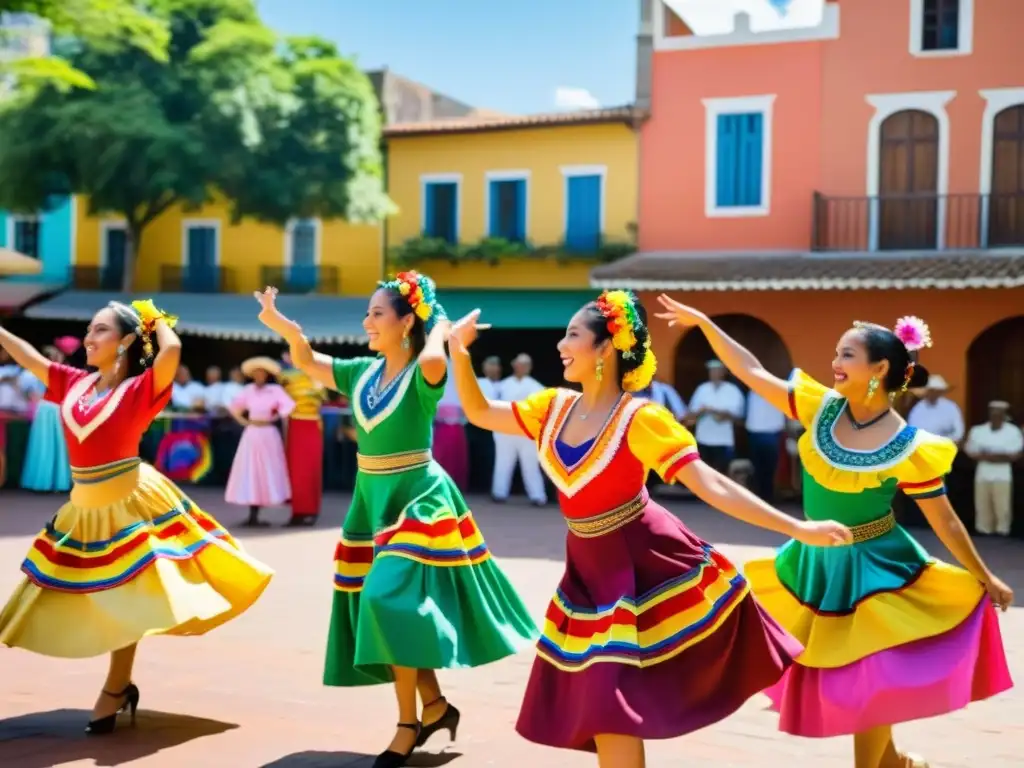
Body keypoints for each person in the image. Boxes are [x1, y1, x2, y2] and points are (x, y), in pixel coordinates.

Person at [447, 290, 852, 767]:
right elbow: (479, 413)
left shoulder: (641, 419)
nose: (561, 343)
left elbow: (713, 486)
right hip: (587, 569)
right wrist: (460, 351)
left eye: (573, 334)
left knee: (609, 702)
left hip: (645, 566)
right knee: (604, 708)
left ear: (606, 348)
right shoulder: (551, 408)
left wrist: (797, 528)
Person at [655, 296, 1014, 767]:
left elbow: (943, 518)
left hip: (877, 565)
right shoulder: (819, 407)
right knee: (847, 674)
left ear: (879, 368)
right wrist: (703, 324)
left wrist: (985, 575)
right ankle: (895, 763)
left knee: (868, 672)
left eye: (847, 354)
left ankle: (884, 764)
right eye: (836, 353)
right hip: (815, 560)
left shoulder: (909, 445)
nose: (834, 363)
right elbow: (752, 371)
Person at [252, 272, 536, 768]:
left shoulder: (426, 374)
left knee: (385, 599)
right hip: (372, 499)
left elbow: (431, 356)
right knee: (391, 608)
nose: (366, 321)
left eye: (376, 313)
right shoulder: (360, 371)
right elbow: (305, 361)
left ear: (407, 322)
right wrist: (284, 326)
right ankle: (436, 706)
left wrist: (441, 323)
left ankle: (408, 725)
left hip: (418, 499)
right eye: (367, 313)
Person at [0, 300, 273, 733]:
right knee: (83, 593)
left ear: (126, 340)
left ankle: (114, 687)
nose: (89, 338)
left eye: (100, 330)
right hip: (85, 504)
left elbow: (171, 352)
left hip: (129, 498)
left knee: (125, 593)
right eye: (89, 330)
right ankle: (121, 684)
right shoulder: (73, 383)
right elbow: (31, 357)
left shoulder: (141, 388)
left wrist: (156, 320)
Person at [225, 356, 295, 527]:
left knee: (266, 470)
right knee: (250, 469)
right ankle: (252, 513)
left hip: (268, 433)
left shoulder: (275, 390)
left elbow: (289, 406)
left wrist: (276, 416)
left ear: (267, 374)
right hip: (253, 432)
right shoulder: (248, 390)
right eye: (256, 373)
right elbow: (234, 407)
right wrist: (244, 422)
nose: (259, 376)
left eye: (262, 373)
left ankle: (259, 511)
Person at [279, 350, 328, 526]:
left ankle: (311, 511)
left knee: (311, 469)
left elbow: (322, 399)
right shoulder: (285, 376)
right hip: (294, 424)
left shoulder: (319, 377)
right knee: (295, 470)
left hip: (312, 423)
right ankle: (297, 511)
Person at [493, 353, 547, 505]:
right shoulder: (503, 385)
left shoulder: (536, 386)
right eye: (520, 364)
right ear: (514, 365)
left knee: (530, 464)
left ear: (529, 367)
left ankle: (538, 496)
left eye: (526, 364)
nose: (522, 367)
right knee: (503, 462)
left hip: (526, 431)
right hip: (505, 430)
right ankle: (499, 493)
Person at [964, 401, 1023, 537]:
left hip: (1002, 474)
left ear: (1004, 415)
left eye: (998, 413)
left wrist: (988, 455)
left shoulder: (1012, 431)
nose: (995, 416)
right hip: (983, 472)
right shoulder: (978, 430)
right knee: (982, 504)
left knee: (1002, 505)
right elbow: (971, 451)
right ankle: (984, 531)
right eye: (993, 412)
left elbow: (1015, 454)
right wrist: (998, 455)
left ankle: (1002, 531)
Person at [20, 345, 73, 492]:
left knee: (58, 446)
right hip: (47, 409)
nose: (56, 358)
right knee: (44, 445)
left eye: (57, 355)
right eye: (53, 356)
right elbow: (29, 391)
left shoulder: (64, 371)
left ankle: (56, 482)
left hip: (57, 408)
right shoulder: (37, 372)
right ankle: (42, 482)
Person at [687, 359, 744, 474]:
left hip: (723, 440)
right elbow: (691, 413)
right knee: (704, 472)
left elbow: (738, 415)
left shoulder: (732, 390)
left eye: (717, 370)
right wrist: (701, 411)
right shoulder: (702, 389)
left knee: (722, 472)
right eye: (712, 371)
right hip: (703, 438)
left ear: (723, 372)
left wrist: (714, 411)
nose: (714, 373)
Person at [745, 387, 787, 502]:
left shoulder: (776, 392)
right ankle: (759, 497)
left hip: (772, 434)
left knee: (770, 468)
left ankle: (768, 497)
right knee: (757, 467)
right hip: (755, 433)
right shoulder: (752, 393)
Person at [907, 374, 964, 443]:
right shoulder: (918, 409)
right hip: (923, 446)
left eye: (937, 390)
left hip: (946, 446)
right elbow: (912, 431)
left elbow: (959, 431)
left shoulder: (951, 407)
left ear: (941, 391)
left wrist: (947, 441)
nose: (934, 393)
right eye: (932, 390)